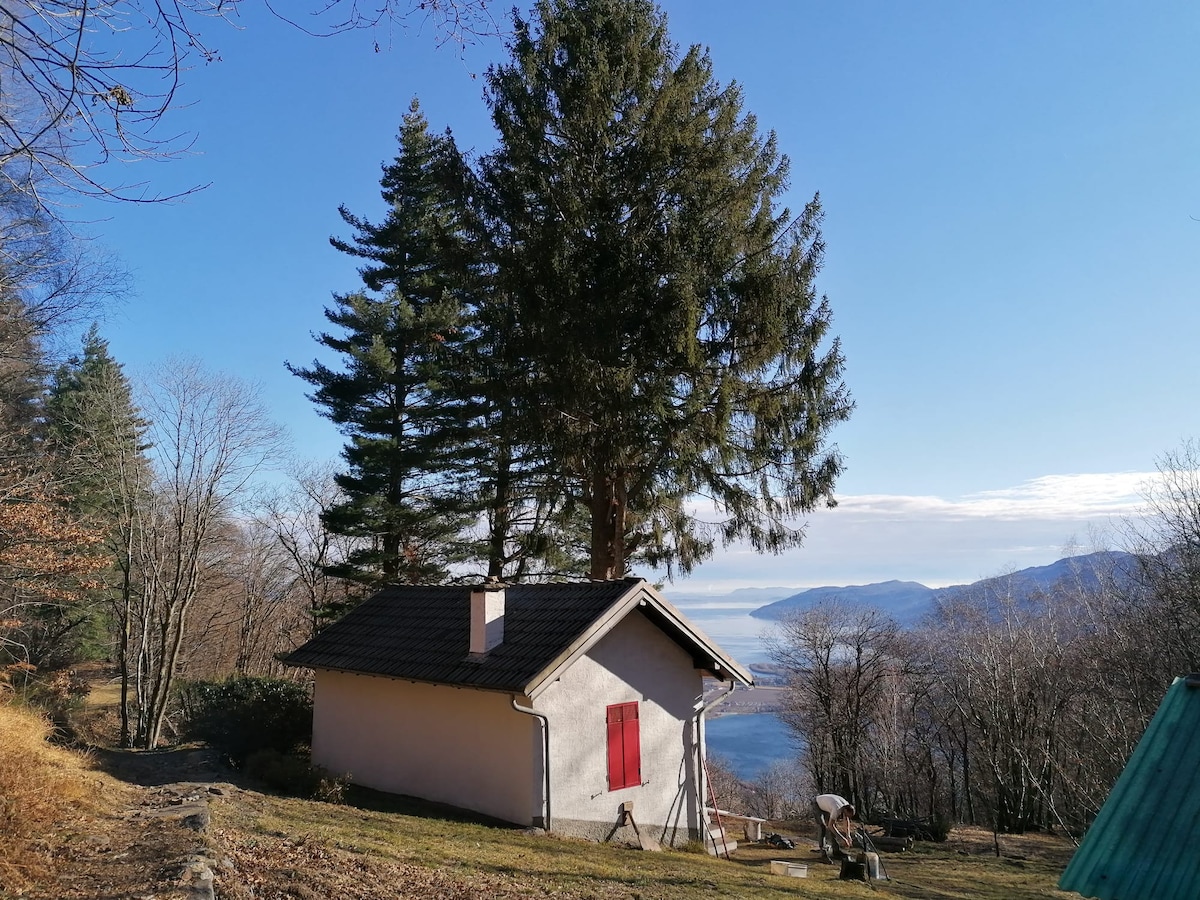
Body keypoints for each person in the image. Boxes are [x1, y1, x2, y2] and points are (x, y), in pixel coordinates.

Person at [813, 793, 856, 862]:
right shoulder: (837, 809)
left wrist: (848, 835)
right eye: (847, 815)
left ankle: (836, 851)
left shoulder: (846, 805)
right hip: (817, 804)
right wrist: (842, 838)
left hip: (827, 805)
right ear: (845, 810)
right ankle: (823, 854)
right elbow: (830, 825)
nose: (847, 817)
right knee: (822, 827)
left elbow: (846, 821)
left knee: (833, 827)